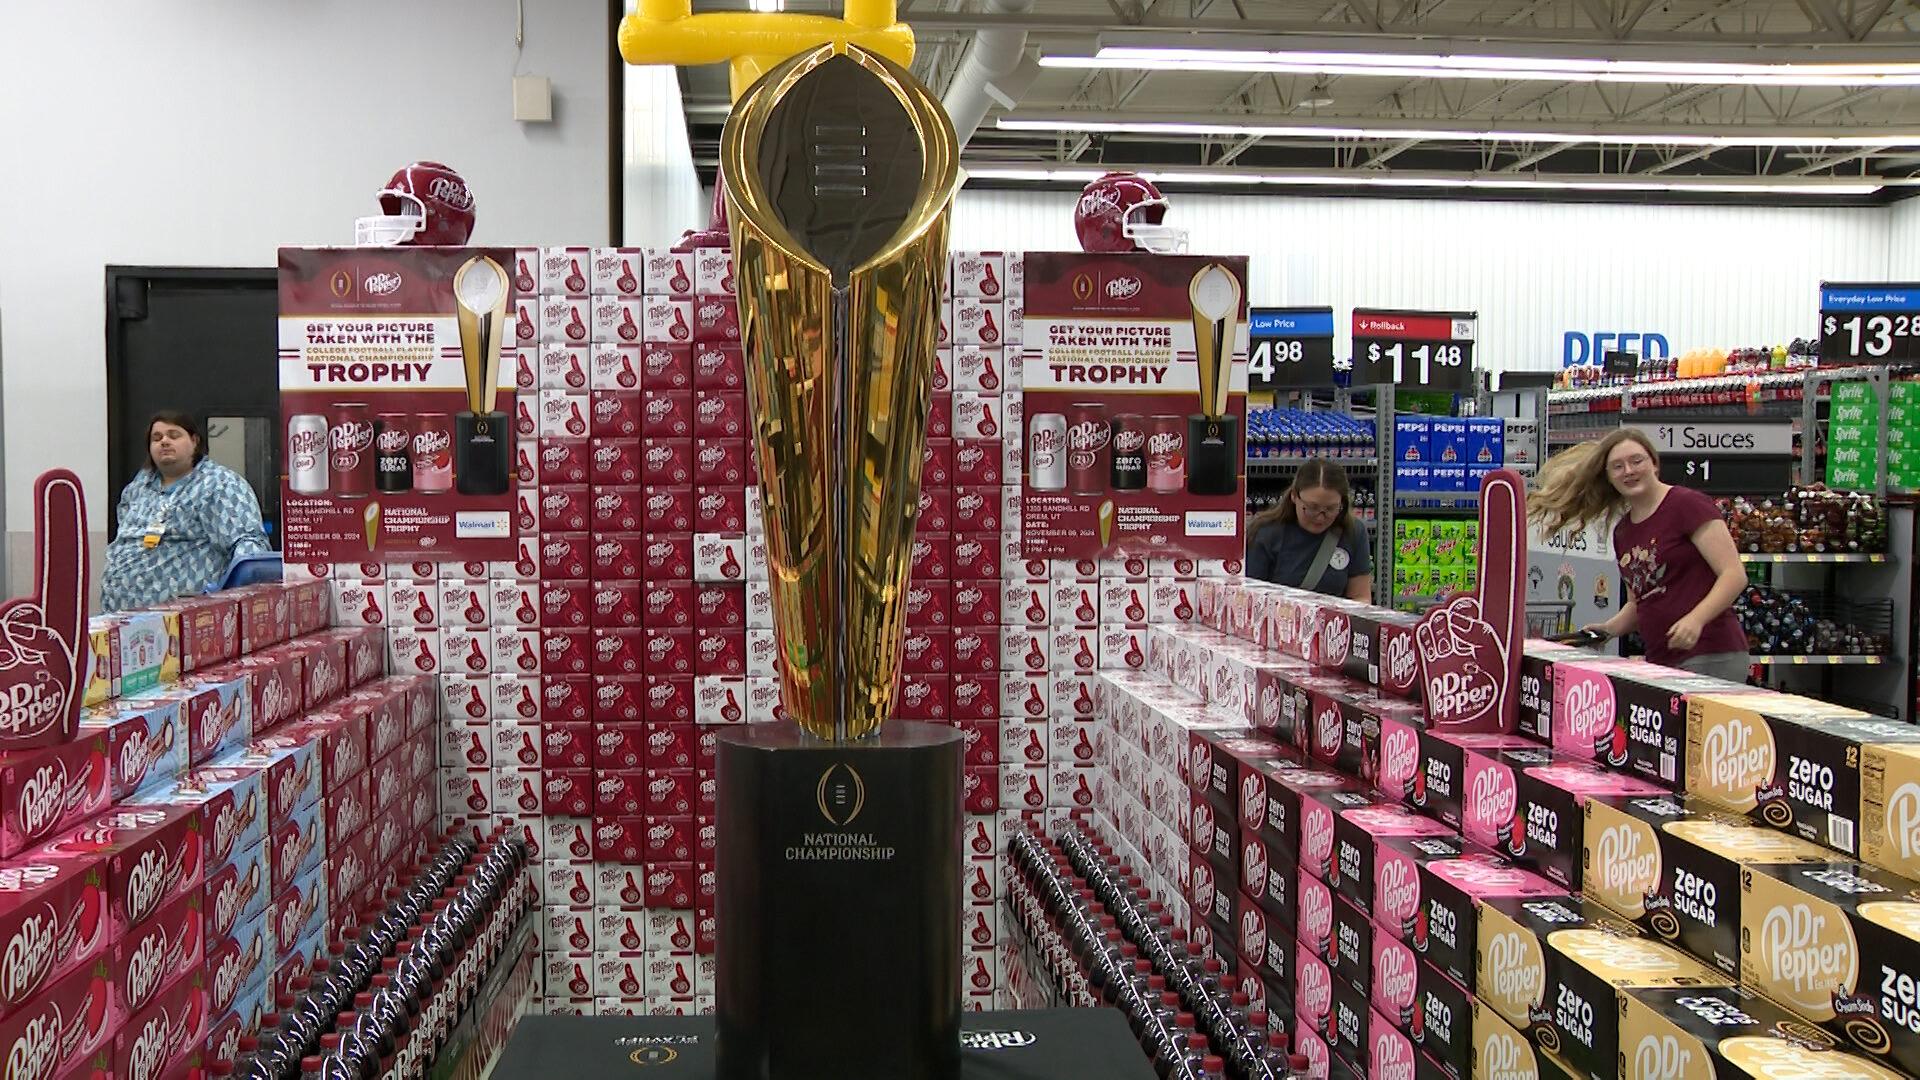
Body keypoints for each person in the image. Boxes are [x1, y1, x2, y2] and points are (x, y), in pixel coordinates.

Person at [1529, 427, 1750, 680]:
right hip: (1660, 660)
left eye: (1637, 461)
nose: (1629, 471)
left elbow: (1733, 575)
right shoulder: (1623, 531)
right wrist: (1608, 629)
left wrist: (1695, 620)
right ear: (1609, 477)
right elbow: (1640, 603)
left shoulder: (1686, 504)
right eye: (1618, 466)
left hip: (1711, 653)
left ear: (1654, 464)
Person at [101, 412, 272, 611]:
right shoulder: (138, 488)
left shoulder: (220, 484)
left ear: (194, 441)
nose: (164, 441)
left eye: (174, 435)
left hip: (188, 622)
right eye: (157, 438)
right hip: (120, 618)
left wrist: (231, 597)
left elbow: (249, 547)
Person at [1244, 459, 1373, 601]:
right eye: (1312, 508)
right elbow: (1252, 599)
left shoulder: (1353, 531)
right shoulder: (1265, 532)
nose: (1320, 517)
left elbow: (1360, 597)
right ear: (1294, 496)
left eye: (1330, 509)